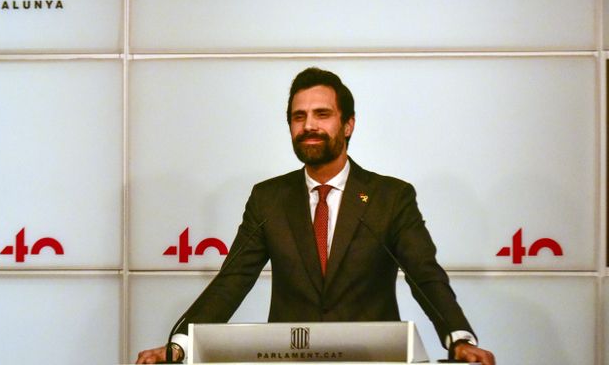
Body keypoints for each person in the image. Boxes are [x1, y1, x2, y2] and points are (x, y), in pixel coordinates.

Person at [136, 67, 495, 365]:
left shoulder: (390, 197)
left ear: (348, 124)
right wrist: (179, 345)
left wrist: (458, 338)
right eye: (298, 116)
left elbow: (424, 276)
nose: (309, 125)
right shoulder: (269, 198)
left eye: (322, 115)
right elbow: (232, 281)